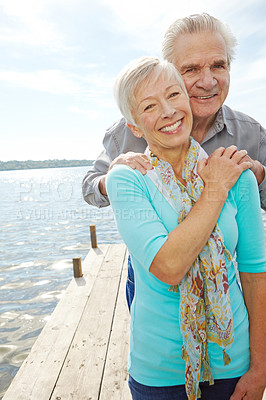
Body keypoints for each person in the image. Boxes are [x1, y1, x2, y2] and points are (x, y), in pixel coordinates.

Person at [105, 56, 266, 400]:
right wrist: (214, 189)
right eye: (150, 106)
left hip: (234, 365)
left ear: (188, 101)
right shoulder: (127, 179)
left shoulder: (237, 174)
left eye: (174, 95)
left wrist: (260, 369)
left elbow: (255, 274)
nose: (168, 111)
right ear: (134, 126)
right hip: (160, 372)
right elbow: (168, 266)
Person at [82, 13, 266, 211]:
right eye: (191, 69)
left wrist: (260, 176)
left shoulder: (252, 133)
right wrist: (112, 179)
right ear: (170, 74)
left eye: (218, 66)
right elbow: (89, 187)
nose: (208, 82)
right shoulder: (128, 130)